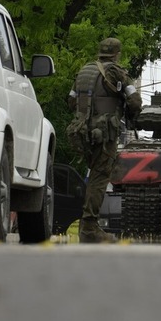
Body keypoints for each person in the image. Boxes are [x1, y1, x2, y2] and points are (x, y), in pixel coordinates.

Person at [67, 37, 142, 243]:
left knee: (92, 177)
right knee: (100, 177)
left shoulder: (84, 71)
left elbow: (71, 101)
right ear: (117, 53)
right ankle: (89, 228)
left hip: (81, 132)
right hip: (104, 133)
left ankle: (87, 225)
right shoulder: (116, 72)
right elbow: (135, 101)